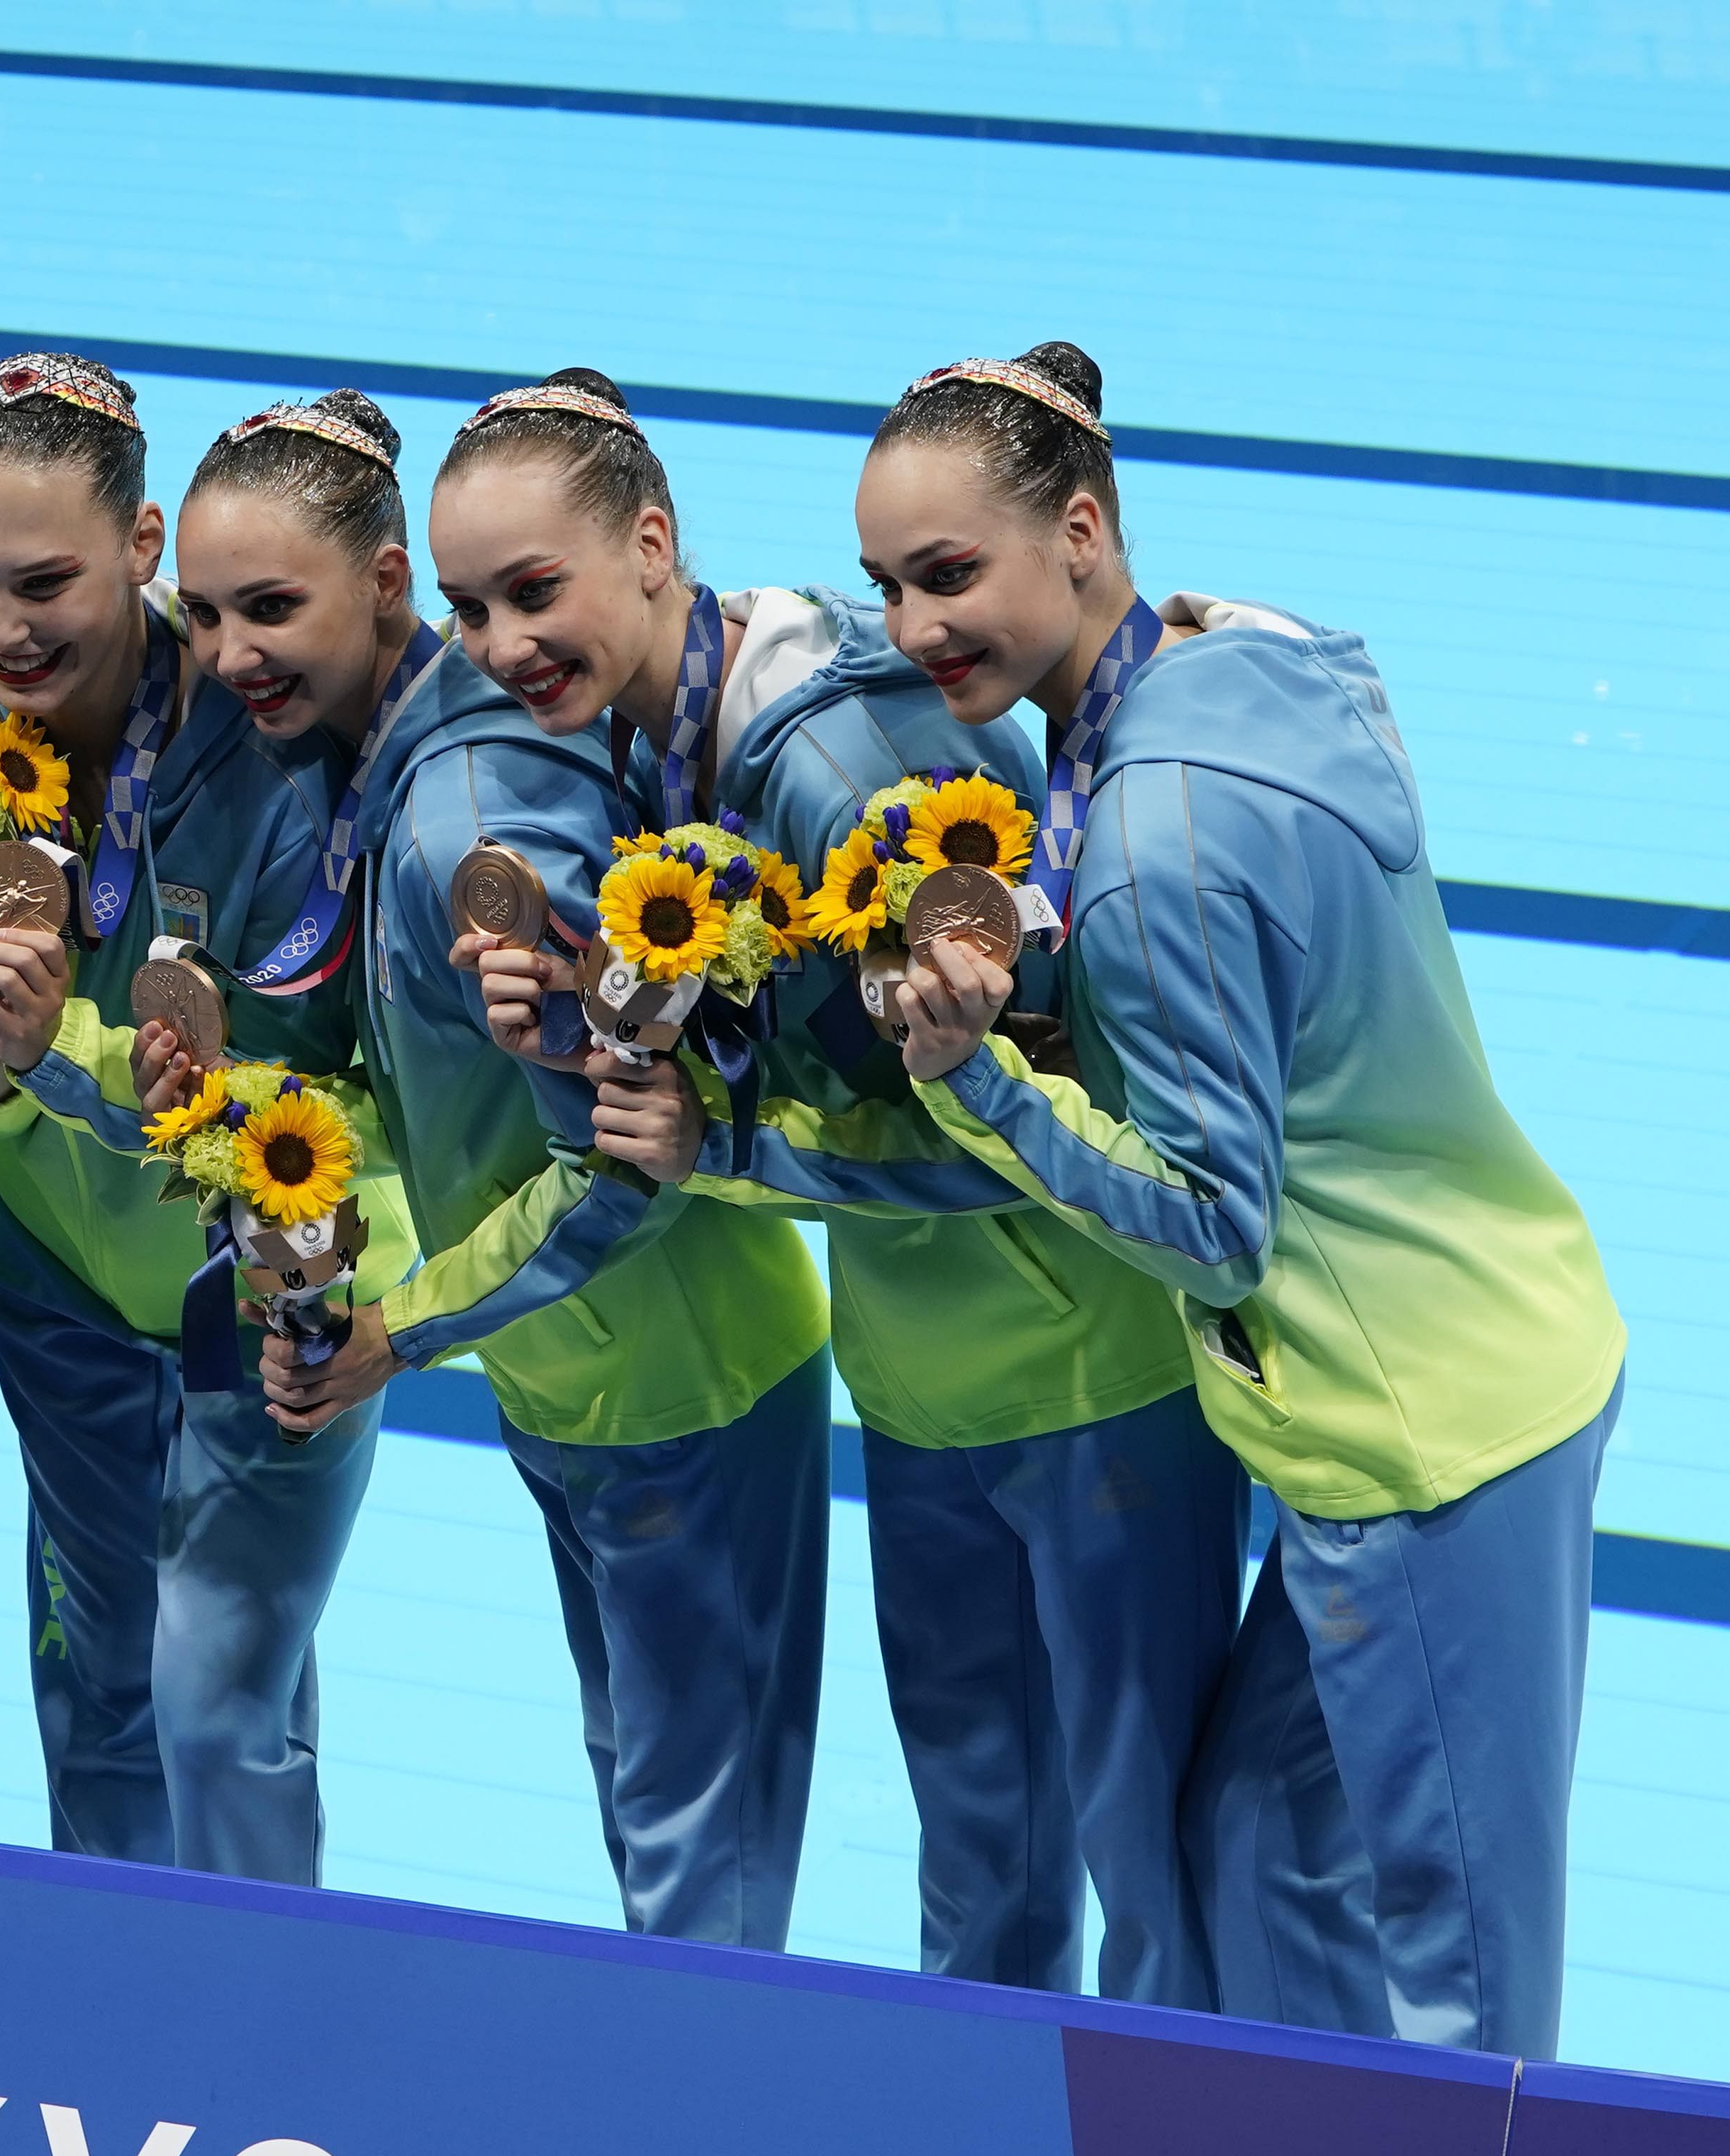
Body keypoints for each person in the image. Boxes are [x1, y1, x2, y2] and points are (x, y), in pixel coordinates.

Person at [853, 343, 1625, 2055]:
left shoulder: (1159, 840)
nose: (912, 632)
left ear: (1079, 530)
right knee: (1259, 1843)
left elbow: (1212, 1219)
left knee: (1467, 1982)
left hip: (1419, 1428)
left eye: (950, 572)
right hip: (1487, 1313)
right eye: (887, 584)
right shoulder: (1246, 657)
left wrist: (979, 1083)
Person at [450, 372, 1246, 2002]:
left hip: (1084, 1369)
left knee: (1145, 1873)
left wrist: (722, 1144)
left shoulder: (839, 763)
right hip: (929, 1379)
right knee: (980, 1858)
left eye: (535, 592)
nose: (501, 647)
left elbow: (1027, 1128)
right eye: (469, 610)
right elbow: (804, 1041)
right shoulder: (668, 724)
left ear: (653, 546)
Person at [169, 390, 836, 1946]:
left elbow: (619, 1162)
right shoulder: (388, 771)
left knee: (696, 1863)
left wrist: (396, 1332)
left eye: (271, 608)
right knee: (654, 1821)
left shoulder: (474, 810)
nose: (228, 655)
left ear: (380, 586)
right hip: (581, 1378)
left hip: (684, 1386)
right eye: (204, 615)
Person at [0, 353, 419, 1878]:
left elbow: (304, 1107)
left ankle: (253, 2032)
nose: (3, 626)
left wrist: (52, 1051)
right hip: (57, 1286)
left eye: (46, 579)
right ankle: (104, 2020)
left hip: (260, 1288)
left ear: (145, 544)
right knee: (94, 1687)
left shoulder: (279, 747)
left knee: (220, 1708)